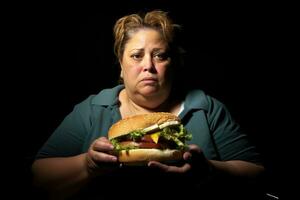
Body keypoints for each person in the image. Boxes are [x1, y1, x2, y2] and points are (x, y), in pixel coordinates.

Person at [31, 10, 265, 199]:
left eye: (160, 55)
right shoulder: (93, 108)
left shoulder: (206, 107)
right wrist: (87, 164)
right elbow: (38, 177)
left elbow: (258, 174)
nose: (149, 66)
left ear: (173, 65)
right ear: (121, 67)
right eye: (136, 55)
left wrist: (210, 172)